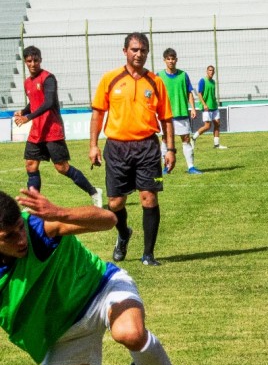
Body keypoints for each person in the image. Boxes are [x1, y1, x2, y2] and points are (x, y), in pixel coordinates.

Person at [0, 189, 222, 365]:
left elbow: (108, 220)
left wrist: (60, 213)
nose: (21, 239)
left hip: (102, 289)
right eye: (9, 236)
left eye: (19, 228)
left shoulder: (38, 228)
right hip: (65, 331)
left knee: (129, 333)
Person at [89, 32, 174, 268]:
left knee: (149, 197)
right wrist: (93, 145)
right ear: (125, 51)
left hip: (148, 148)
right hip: (116, 148)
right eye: (135, 49)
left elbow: (166, 118)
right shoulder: (110, 79)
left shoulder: (155, 82)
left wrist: (170, 149)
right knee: (115, 203)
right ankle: (124, 233)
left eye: (143, 50)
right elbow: (98, 113)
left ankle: (148, 254)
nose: (139, 54)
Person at [13, 46, 102, 207]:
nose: (33, 64)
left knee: (62, 168)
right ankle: (34, 204)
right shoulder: (27, 82)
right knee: (31, 164)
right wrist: (24, 110)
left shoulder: (48, 78)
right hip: (36, 132)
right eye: (29, 61)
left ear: (40, 60)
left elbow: (48, 102)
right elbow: (34, 101)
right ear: (25, 62)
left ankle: (94, 191)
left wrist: (28, 117)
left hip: (52, 131)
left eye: (35, 60)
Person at [159, 48, 206, 174]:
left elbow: (189, 92)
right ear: (164, 60)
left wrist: (193, 108)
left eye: (173, 58)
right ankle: (165, 167)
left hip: (182, 113)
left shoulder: (183, 75)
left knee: (185, 139)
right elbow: (155, 95)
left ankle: (191, 167)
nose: (171, 61)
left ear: (176, 60)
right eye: (168, 59)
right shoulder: (159, 76)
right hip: (166, 115)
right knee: (164, 140)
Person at [192, 65, 227, 149]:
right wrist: (204, 104)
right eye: (210, 70)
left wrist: (215, 102)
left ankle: (216, 144)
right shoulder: (202, 81)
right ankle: (193, 138)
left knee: (217, 124)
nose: (211, 72)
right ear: (207, 71)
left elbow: (213, 94)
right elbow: (199, 94)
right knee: (207, 126)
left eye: (212, 71)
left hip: (214, 106)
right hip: (206, 107)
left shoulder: (213, 82)